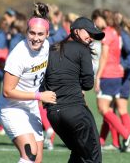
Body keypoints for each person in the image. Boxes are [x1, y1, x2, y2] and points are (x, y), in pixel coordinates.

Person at [0, 2, 56, 163]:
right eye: (32, 33)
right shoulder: (18, 55)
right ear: (26, 32)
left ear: (47, 34)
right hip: (12, 109)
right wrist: (39, 96)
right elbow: (7, 91)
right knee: (29, 154)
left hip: (30, 108)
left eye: (40, 34)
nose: (36, 38)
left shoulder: (46, 47)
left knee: (37, 159)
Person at [42, 17, 104, 162]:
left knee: (78, 153)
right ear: (76, 31)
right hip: (75, 112)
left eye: (94, 35)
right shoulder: (82, 50)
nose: (91, 38)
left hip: (54, 115)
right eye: (89, 33)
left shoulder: (52, 48)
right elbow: (88, 83)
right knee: (93, 157)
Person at [94, 10, 130, 152]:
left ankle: (126, 135)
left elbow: (104, 57)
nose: (95, 22)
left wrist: (98, 76)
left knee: (103, 108)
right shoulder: (117, 33)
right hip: (116, 76)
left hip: (108, 75)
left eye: (96, 19)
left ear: (104, 19)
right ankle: (104, 141)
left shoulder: (107, 33)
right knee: (110, 109)